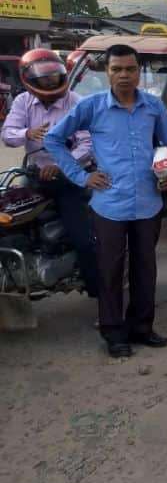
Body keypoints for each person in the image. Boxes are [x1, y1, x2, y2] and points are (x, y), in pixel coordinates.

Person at [45, 43, 167, 358]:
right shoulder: (91, 107)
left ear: (138, 71)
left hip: (149, 200)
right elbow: (53, 139)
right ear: (107, 73)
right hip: (109, 203)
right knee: (110, 270)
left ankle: (142, 328)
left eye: (130, 69)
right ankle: (114, 333)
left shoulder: (153, 106)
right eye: (117, 69)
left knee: (146, 268)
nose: (124, 75)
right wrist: (81, 177)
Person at [1, 49, 98, 299]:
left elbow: (87, 144)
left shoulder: (76, 101)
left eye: (54, 74)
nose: (49, 80)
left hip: (70, 178)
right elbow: (8, 135)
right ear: (28, 77)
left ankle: (99, 293)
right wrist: (27, 134)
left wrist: (63, 164)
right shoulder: (23, 101)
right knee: (11, 220)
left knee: (83, 238)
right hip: (35, 175)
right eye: (43, 76)